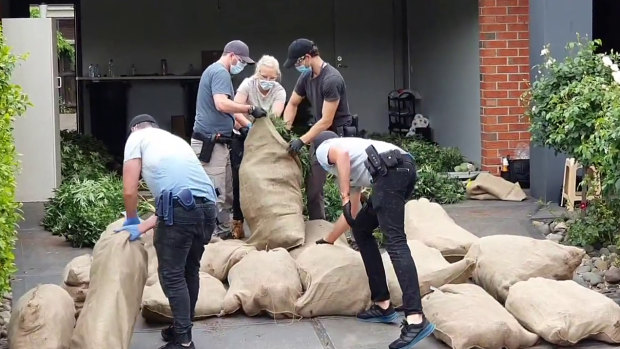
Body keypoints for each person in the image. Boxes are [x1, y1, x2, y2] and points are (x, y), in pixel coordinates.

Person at [312, 131, 435, 349]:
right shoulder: (356, 165)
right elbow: (353, 213)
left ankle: (416, 319)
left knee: (395, 242)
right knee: (361, 228)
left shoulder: (325, 148)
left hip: (392, 172)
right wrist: (329, 239)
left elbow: (340, 157)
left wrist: (343, 197)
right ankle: (383, 304)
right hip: (400, 169)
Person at [115, 114, 218, 349]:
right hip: (209, 208)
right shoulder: (174, 141)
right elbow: (183, 189)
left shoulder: (137, 139)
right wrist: (147, 224)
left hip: (181, 210)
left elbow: (130, 190)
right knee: (190, 270)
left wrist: (132, 220)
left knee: (172, 275)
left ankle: (183, 342)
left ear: (134, 129)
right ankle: (181, 329)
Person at [191, 40, 267, 239]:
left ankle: (223, 230)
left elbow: (224, 114)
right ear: (232, 55)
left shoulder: (215, 73)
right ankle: (210, 235)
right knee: (213, 192)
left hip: (221, 142)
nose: (241, 66)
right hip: (210, 143)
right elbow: (222, 105)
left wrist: (245, 127)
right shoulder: (220, 72)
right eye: (241, 61)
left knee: (225, 193)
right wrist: (250, 109)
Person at [282, 38, 356, 221]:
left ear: (307, 57)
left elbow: (326, 120)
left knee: (350, 187)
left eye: (298, 63)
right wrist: (284, 130)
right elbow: (292, 103)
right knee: (313, 187)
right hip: (320, 135)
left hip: (337, 134)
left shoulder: (331, 79)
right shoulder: (305, 77)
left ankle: (357, 229)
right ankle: (319, 225)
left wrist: (301, 140)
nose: (297, 67)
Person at [230, 55, 287, 238]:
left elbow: (275, 117)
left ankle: (266, 221)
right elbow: (235, 109)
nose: (268, 81)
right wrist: (248, 126)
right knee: (240, 177)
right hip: (243, 135)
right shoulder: (248, 84)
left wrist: (259, 131)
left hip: (264, 138)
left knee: (265, 177)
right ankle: (237, 222)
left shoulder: (279, 91)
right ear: (257, 74)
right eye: (264, 77)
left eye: (272, 78)